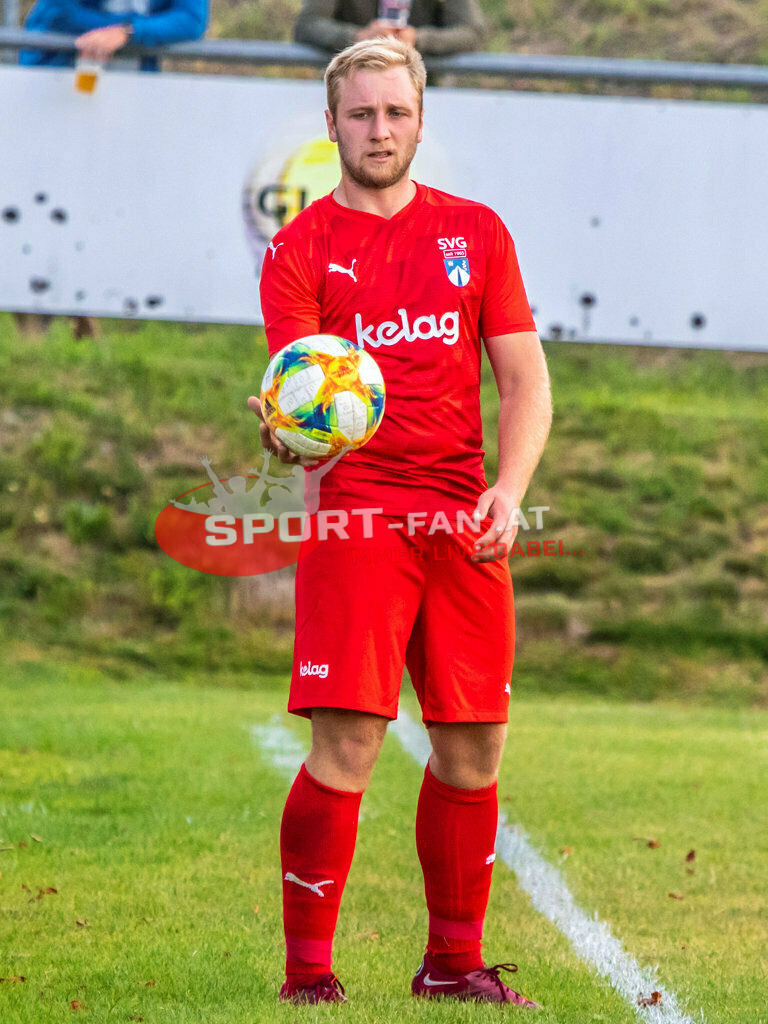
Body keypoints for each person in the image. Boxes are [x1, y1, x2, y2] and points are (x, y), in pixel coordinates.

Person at [248, 37, 551, 1006]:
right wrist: (293, 443)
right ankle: (308, 975)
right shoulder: (300, 252)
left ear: (421, 118)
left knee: (474, 750)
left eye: (398, 112)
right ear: (330, 121)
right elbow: (304, 403)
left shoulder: (478, 232)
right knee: (348, 749)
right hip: (362, 520)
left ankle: (453, 964)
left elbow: (525, 381)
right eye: (363, 114)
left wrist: (509, 489)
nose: (381, 130)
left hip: (465, 519)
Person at [19, 0, 208, 70]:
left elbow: (191, 21)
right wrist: (125, 29)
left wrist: (128, 31)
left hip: (135, 81)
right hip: (55, 73)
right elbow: (60, 15)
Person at [294, 0, 486, 56]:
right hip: (348, 83)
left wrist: (417, 40)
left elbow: (473, 33)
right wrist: (358, 37)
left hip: (423, 88)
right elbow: (306, 25)